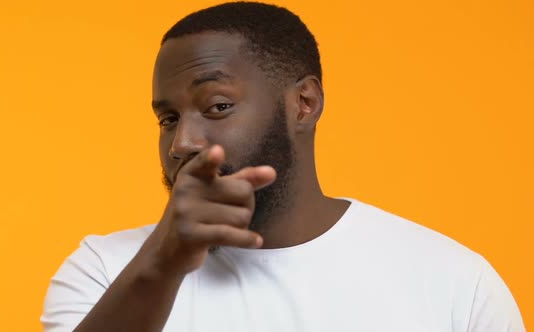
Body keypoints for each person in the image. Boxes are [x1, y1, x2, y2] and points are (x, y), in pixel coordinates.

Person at [41, 2, 525, 331]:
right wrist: (162, 264)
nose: (182, 143)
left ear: (304, 103)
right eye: (168, 118)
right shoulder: (105, 271)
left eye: (217, 107)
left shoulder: (453, 281)